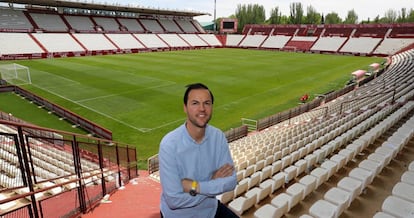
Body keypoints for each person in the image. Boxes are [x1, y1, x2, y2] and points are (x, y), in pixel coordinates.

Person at [159, 83, 238, 218]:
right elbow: (174, 200)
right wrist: (212, 183)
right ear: (185, 108)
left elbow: (231, 181)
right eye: (195, 103)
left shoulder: (218, 136)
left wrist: (195, 186)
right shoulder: (169, 144)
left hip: (210, 210)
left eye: (207, 103)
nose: (202, 109)